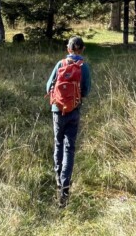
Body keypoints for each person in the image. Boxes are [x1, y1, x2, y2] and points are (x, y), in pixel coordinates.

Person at [46, 35, 91, 207]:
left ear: (68, 49)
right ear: (82, 49)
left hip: (57, 110)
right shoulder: (83, 66)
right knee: (69, 147)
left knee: (58, 143)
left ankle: (58, 179)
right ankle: (65, 187)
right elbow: (86, 91)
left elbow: (48, 86)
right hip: (74, 110)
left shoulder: (60, 64)